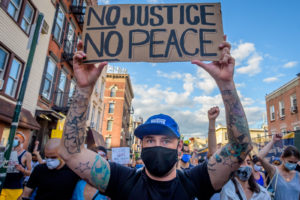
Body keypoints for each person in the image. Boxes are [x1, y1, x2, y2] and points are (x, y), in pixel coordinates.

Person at [58, 36, 253, 199]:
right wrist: (84, 89)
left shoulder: (197, 180)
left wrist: (226, 83)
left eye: (166, 140)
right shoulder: (121, 179)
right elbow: (71, 153)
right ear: (141, 145)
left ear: (179, 147)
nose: (157, 145)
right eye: (150, 140)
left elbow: (240, 147)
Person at [258, 134, 300, 200]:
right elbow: (260, 156)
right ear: (282, 158)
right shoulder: (274, 171)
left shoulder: (298, 175)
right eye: (290, 162)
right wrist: (273, 141)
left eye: (295, 162)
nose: (293, 164)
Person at [0, 132, 32, 200]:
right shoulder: (5, 151)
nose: (13, 139)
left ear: (22, 141)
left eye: (16, 138)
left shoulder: (27, 154)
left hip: (15, 189)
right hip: (2, 186)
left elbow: (30, 173)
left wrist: (22, 169)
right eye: (12, 137)